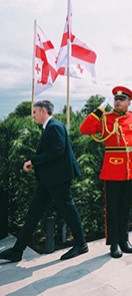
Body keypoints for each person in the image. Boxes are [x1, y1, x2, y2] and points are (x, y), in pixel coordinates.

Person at [0, 100, 87, 263]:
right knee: (33, 213)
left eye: (35, 112)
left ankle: (81, 244)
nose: (33, 116)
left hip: (59, 179)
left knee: (68, 210)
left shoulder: (54, 126)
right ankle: (17, 251)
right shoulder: (49, 127)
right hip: (49, 180)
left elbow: (58, 150)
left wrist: (33, 161)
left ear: (43, 111)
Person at [80, 86, 132, 258]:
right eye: (116, 99)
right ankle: (114, 243)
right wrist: (99, 110)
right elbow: (84, 129)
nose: (117, 102)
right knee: (113, 209)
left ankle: (124, 240)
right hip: (113, 169)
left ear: (129, 102)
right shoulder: (105, 118)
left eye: (122, 99)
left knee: (126, 207)